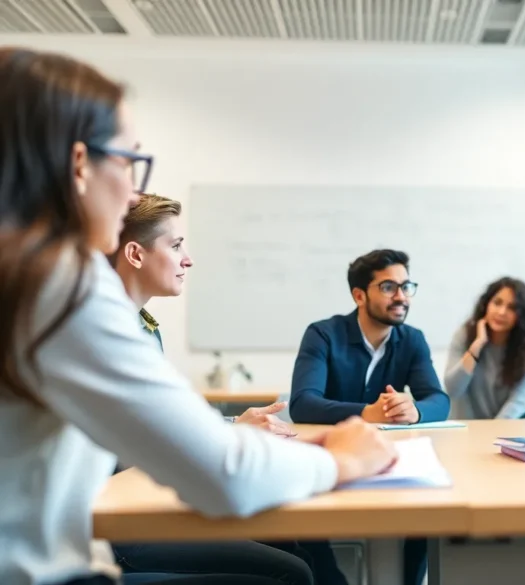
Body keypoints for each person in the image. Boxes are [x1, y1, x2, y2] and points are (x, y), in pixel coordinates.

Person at [0, 47, 397, 585]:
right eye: (128, 161)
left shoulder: (26, 278)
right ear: (78, 165)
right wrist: (345, 460)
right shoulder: (59, 285)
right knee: (292, 575)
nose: (133, 190)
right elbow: (225, 477)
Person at [109, 194, 347, 585]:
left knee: (289, 548)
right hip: (119, 526)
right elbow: (148, 440)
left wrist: (237, 423)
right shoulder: (112, 336)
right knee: (292, 571)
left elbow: (164, 420)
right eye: (176, 245)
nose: (188, 259)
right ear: (135, 254)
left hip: (138, 503)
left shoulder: (140, 327)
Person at [289, 249, 449, 585]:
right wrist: (365, 413)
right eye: (389, 287)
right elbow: (303, 403)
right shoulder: (323, 334)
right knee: (301, 516)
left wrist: (415, 409)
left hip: (391, 459)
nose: (401, 297)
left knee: (428, 509)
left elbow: (438, 399)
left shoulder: (412, 339)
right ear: (359, 295)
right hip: (333, 456)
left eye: (407, 287)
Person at [444, 277, 525, 419]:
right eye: (497, 303)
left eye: (512, 307)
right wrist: (476, 347)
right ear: (486, 304)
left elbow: (519, 400)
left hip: (517, 421)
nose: (502, 312)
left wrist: (494, 432)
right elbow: (453, 390)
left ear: (522, 316)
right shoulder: (464, 335)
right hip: (473, 427)